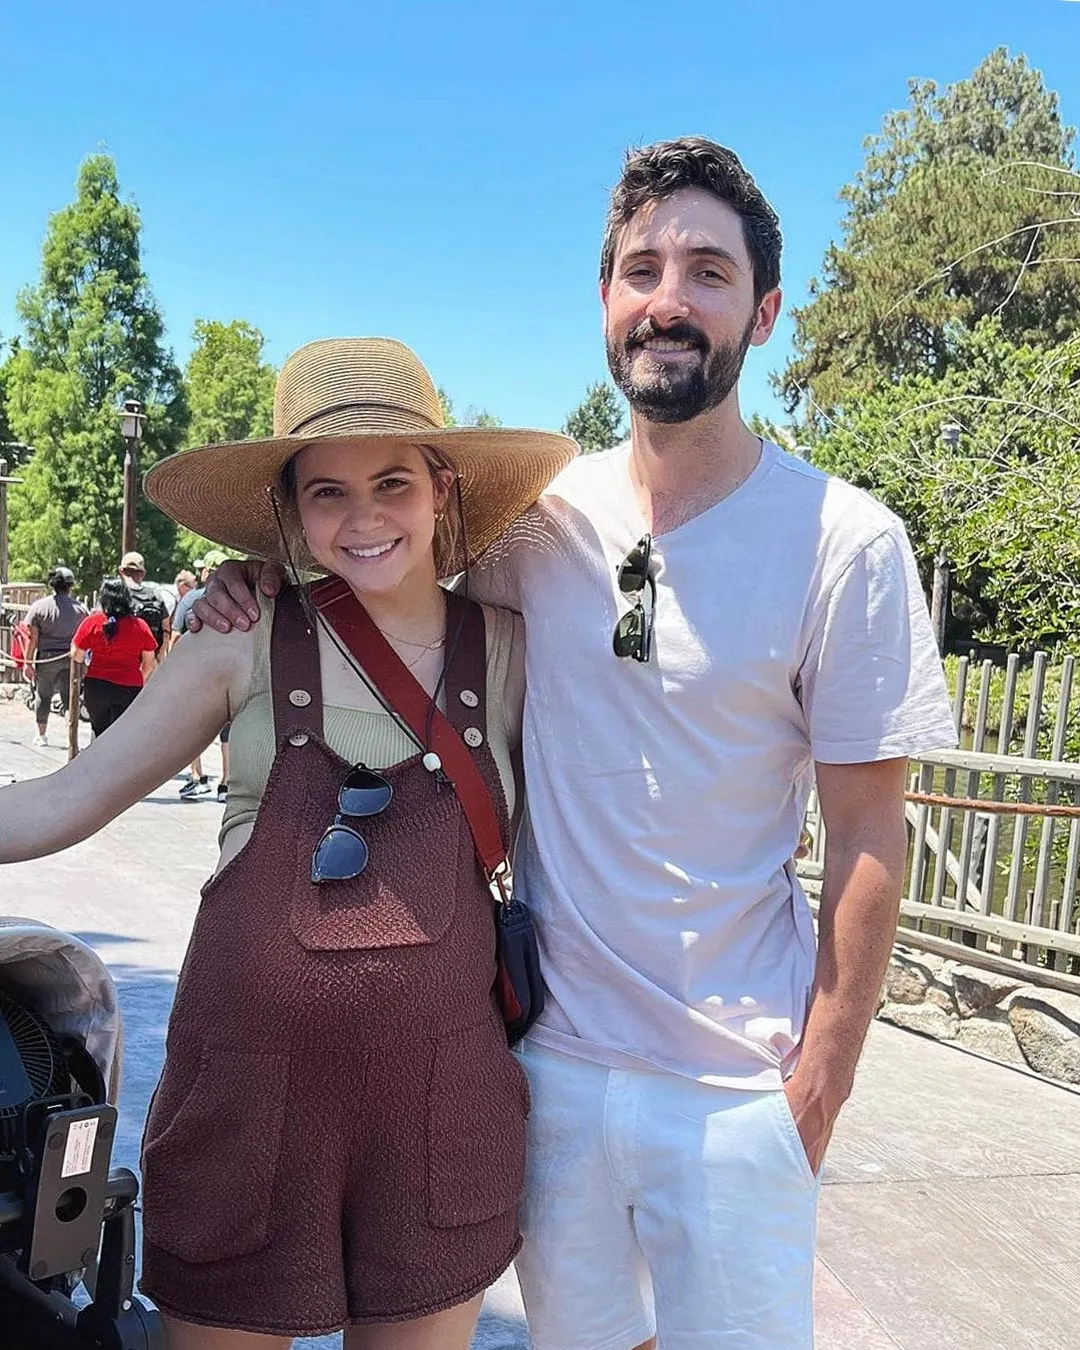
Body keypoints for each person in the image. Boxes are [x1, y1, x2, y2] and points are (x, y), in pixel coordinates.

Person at [197, 139, 959, 1350]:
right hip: (552, 1067)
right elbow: (382, 575)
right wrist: (252, 584)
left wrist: (822, 1078)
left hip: (737, 1083)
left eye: (709, 271)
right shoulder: (535, 529)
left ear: (765, 312)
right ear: (604, 300)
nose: (669, 298)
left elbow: (872, 828)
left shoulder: (843, 542)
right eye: (641, 269)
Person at [0, 335, 575, 1350]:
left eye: (392, 483)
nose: (364, 518)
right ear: (290, 511)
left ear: (441, 488)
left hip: (440, 1115)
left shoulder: (515, 651)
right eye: (327, 492)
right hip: (246, 1110)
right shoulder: (238, 639)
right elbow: (67, 799)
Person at [170, 552, 229, 799]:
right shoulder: (236, 600)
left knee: (194, 727)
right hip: (228, 673)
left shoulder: (191, 599)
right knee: (228, 732)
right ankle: (226, 783)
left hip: (197, 674)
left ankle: (197, 777)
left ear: (207, 572)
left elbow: (175, 636)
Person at [70, 577, 158, 737]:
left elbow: (77, 655)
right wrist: (139, 680)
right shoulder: (140, 626)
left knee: (99, 731)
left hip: (97, 686)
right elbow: (149, 664)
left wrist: (86, 669)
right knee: (123, 735)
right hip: (129, 688)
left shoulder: (92, 622)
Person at [22, 566, 88, 746]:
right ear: (70, 586)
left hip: (46, 658)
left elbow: (32, 639)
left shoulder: (39, 607)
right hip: (71, 658)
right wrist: (84, 663)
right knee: (69, 698)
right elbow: (85, 639)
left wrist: (28, 662)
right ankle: (70, 736)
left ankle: (41, 735)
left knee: (43, 696)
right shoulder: (81, 610)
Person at [119, 550, 171, 658]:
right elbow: (166, 630)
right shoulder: (155, 597)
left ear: (121, 571)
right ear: (143, 573)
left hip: (122, 660)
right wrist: (158, 658)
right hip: (150, 659)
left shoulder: (114, 596)